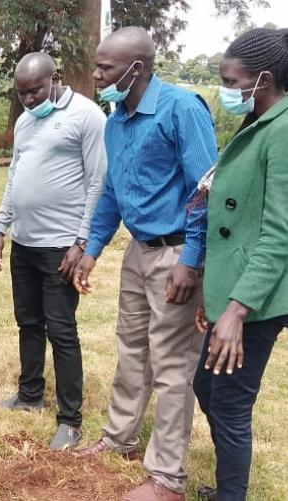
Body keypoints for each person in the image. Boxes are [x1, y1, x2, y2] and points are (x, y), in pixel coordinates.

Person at [72, 27, 218, 501]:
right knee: (130, 348)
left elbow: (206, 190)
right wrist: (92, 250)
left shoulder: (181, 109)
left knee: (173, 365)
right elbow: (114, 191)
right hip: (138, 252)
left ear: (135, 68)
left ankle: (167, 478)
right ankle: (120, 440)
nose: (96, 76)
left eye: (105, 68)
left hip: (178, 254)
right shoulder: (116, 120)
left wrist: (192, 260)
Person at [0, 52, 107, 450]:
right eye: (22, 93)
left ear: (53, 79)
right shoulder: (24, 121)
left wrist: (81, 242)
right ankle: (29, 395)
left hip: (61, 247)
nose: (29, 100)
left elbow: (97, 182)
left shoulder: (87, 116)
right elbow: (15, 176)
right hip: (23, 242)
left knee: (62, 330)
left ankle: (70, 421)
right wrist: (0, 227)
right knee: (28, 323)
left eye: (35, 90)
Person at [191, 27, 288, 501]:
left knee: (229, 403)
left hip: (258, 298)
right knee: (206, 388)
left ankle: (231, 496)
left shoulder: (284, 131)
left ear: (263, 79)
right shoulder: (258, 120)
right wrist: (215, 291)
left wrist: (236, 309)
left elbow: (278, 234)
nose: (225, 90)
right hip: (232, 287)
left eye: (231, 81)